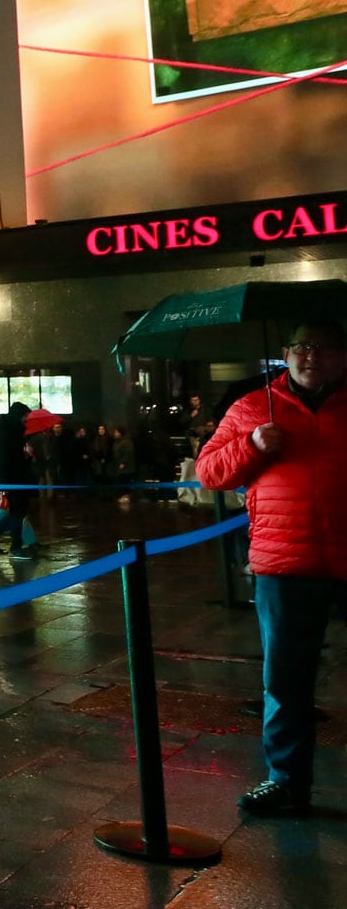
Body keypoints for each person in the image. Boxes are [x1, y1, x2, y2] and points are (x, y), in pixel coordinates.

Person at [197, 320, 347, 818]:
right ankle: (286, 781)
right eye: (302, 347)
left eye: (324, 348)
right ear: (285, 353)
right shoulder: (251, 408)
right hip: (286, 563)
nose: (312, 357)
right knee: (286, 680)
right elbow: (209, 472)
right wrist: (253, 446)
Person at [0, 402, 37, 561]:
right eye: (25, 415)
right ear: (19, 414)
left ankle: (16, 545)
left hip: (8, 479)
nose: (26, 419)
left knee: (18, 512)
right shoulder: (11, 432)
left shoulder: (6, 430)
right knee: (18, 512)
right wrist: (25, 454)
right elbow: (10, 459)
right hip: (13, 480)